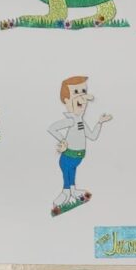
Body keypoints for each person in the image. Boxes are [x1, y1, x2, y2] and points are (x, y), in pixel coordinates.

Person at [47, 75, 112, 212]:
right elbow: (52, 128)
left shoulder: (81, 121)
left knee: (72, 175)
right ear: (67, 101)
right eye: (76, 93)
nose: (82, 98)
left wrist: (100, 122)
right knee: (67, 176)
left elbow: (92, 136)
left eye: (83, 92)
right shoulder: (71, 120)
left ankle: (73, 191)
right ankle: (65, 194)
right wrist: (63, 141)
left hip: (78, 157)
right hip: (68, 157)